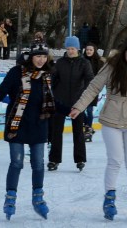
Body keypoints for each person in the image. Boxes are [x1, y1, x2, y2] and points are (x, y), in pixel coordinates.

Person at [70, 35, 127, 220]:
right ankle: (109, 200)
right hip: (111, 120)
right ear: (124, 52)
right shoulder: (112, 66)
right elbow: (93, 88)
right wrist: (79, 107)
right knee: (115, 160)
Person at [0, 46, 55, 220]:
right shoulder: (16, 73)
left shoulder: (47, 75)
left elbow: (54, 101)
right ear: (30, 57)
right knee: (16, 163)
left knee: (38, 164)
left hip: (39, 125)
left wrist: (73, 109)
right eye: (37, 56)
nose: (41, 60)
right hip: (17, 125)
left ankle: (38, 198)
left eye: (43, 56)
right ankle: (10, 199)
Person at [48, 36, 94, 171]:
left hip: (77, 103)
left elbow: (90, 81)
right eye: (68, 48)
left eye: (73, 48)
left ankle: (80, 159)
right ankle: (54, 159)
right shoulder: (60, 63)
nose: (70, 51)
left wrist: (84, 98)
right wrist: (54, 95)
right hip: (60, 102)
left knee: (78, 132)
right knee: (56, 132)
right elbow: (53, 79)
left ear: (78, 48)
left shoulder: (84, 63)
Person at [82, 45, 106, 141]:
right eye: (87, 49)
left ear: (94, 51)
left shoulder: (99, 62)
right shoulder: (81, 61)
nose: (88, 51)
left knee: (89, 110)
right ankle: (89, 127)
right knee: (80, 110)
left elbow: (102, 75)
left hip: (93, 89)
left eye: (90, 50)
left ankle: (88, 130)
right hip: (81, 88)